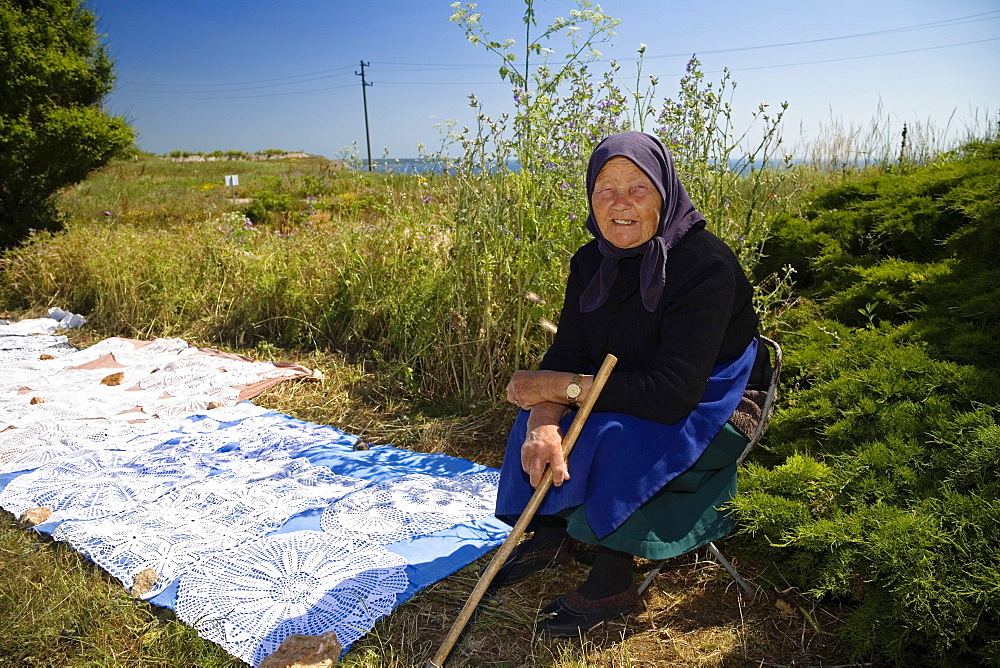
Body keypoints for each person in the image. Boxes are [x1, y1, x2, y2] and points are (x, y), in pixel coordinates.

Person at [493, 131, 771, 637]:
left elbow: (671, 396)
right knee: (535, 422)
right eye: (605, 188)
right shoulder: (590, 261)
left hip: (716, 403)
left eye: (637, 188)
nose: (620, 204)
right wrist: (543, 419)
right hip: (635, 386)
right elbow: (568, 354)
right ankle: (548, 531)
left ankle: (614, 577)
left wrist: (557, 387)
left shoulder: (704, 264)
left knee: (610, 433)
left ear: (665, 192)